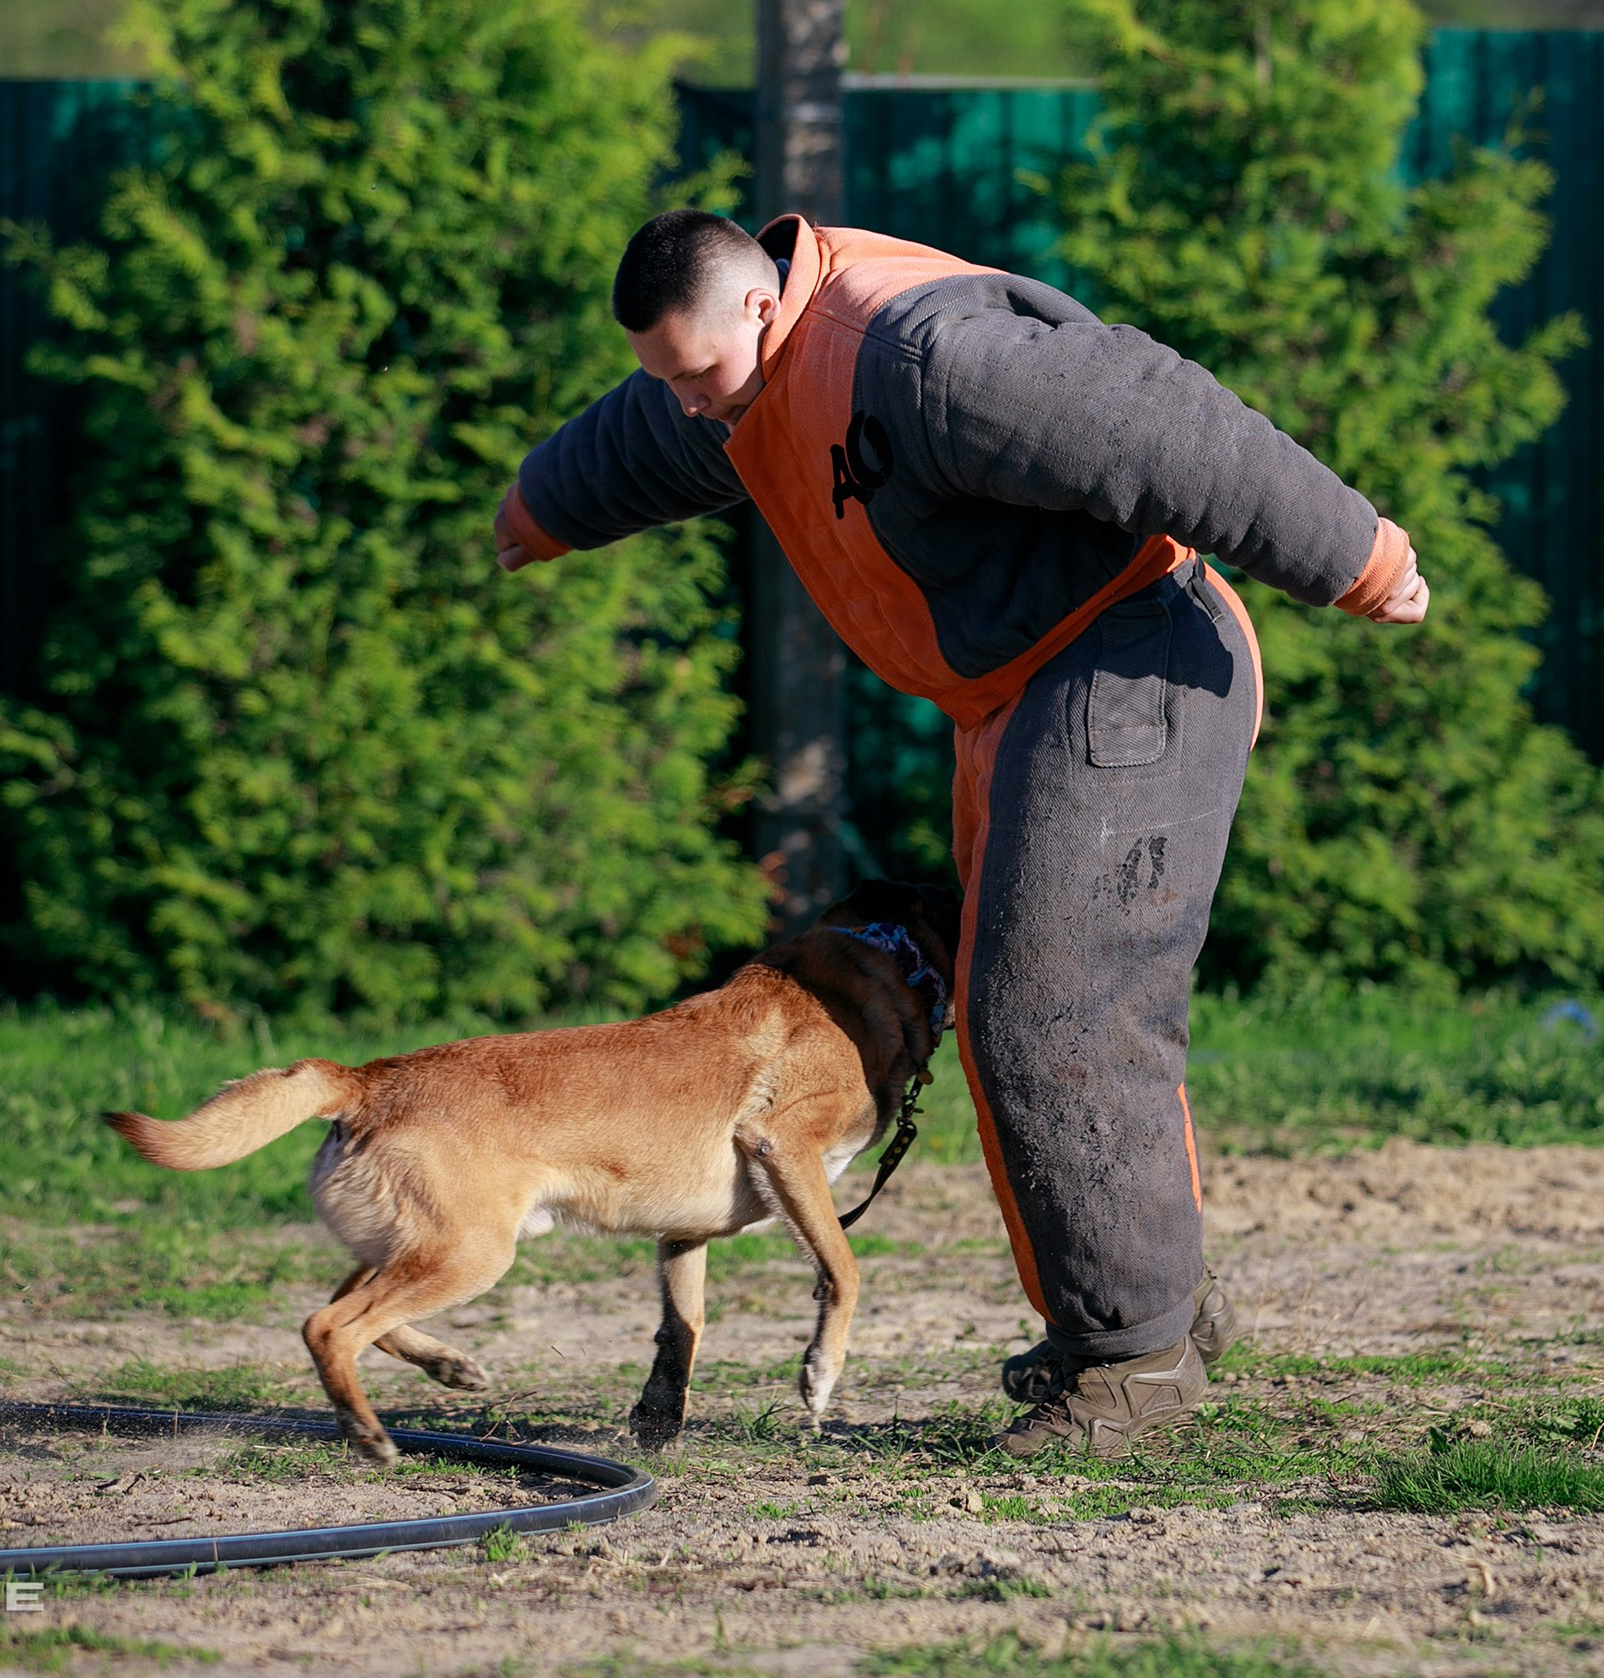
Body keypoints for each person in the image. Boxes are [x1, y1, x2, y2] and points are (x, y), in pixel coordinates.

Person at [491, 209, 1426, 1456]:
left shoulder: (914, 356)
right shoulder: (744, 381)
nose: (687, 410)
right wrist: (536, 510)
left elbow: (1150, 416)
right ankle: (1151, 1312)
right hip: (1015, 691)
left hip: (1126, 655)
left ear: (760, 310)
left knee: (1057, 1011)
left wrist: (1356, 556)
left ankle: (1135, 1372)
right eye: (666, 382)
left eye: (695, 378)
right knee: (1012, 1015)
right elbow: (641, 437)